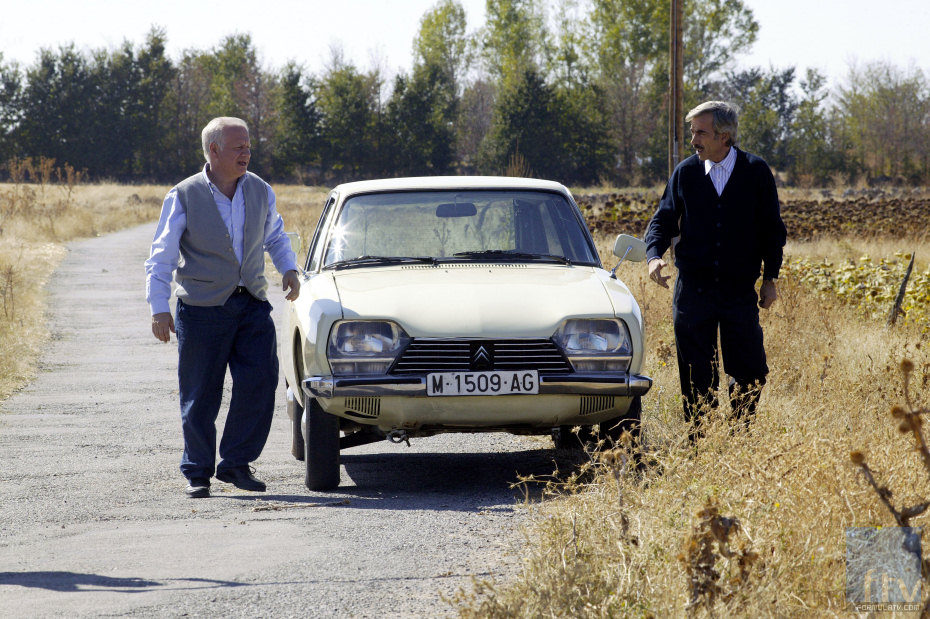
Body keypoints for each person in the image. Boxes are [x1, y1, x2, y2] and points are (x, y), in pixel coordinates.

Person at [145, 116, 301, 498]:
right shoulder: (183, 195)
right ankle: (197, 471)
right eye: (238, 147)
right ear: (213, 151)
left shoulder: (261, 190)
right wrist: (158, 307)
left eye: (248, 146)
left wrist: (289, 268)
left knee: (261, 383)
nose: (247, 153)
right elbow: (161, 256)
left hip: (251, 304)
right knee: (201, 392)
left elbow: (275, 235)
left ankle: (235, 464)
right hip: (201, 309)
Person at [644, 101, 787, 441]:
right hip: (693, 290)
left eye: (700, 132)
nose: (693, 140)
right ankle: (699, 442)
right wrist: (653, 257)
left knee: (750, 368)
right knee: (696, 373)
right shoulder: (686, 173)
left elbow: (772, 230)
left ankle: (740, 436)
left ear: (724, 136)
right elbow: (662, 220)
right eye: (692, 132)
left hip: (738, 291)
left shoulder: (756, 172)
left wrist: (770, 279)